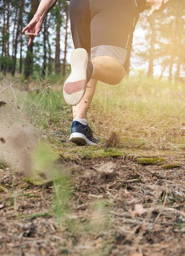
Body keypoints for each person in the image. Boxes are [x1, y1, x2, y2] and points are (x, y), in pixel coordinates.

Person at [22, 0, 167, 146]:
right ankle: (86, 68)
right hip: (115, 5)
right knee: (115, 70)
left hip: (79, 5)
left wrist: (38, 15)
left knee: (88, 62)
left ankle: (79, 124)